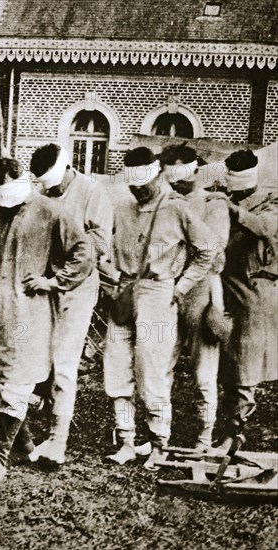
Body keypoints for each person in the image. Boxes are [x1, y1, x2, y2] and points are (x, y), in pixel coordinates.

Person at [0, 158, 93, 484]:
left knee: (17, 381)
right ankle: (24, 442)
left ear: (24, 181)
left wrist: (54, 281)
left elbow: (83, 250)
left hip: (30, 312)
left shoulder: (50, 211)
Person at [103, 148, 216, 468]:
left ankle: (158, 445)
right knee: (117, 369)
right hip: (124, 290)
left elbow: (206, 250)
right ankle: (125, 440)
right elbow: (105, 242)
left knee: (152, 373)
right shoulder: (122, 207)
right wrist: (111, 276)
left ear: (156, 175)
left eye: (144, 183)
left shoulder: (176, 209)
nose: (138, 189)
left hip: (158, 293)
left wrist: (180, 287)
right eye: (132, 183)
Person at [28, 144, 113, 467]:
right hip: (44, 287)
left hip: (77, 288)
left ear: (67, 169)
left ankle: (58, 441)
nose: (54, 192)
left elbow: (100, 244)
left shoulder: (92, 191)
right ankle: (43, 429)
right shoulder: (44, 194)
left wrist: (65, 253)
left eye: (56, 185)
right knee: (40, 360)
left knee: (64, 364)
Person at [159, 144, 231, 451]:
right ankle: (159, 434)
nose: (176, 181)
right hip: (168, 292)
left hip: (201, 293)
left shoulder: (213, 204)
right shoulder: (165, 202)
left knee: (204, 373)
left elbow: (212, 253)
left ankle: (204, 436)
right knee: (162, 366)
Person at [218, 149, 278, 448]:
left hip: (253, 294)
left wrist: (233, 211)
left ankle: (235, 433)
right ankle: (224, 427)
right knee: (225, 367)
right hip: (223, 291)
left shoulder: (270, 204)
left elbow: (265, 227)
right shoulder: (222, 200)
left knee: (244, 368)